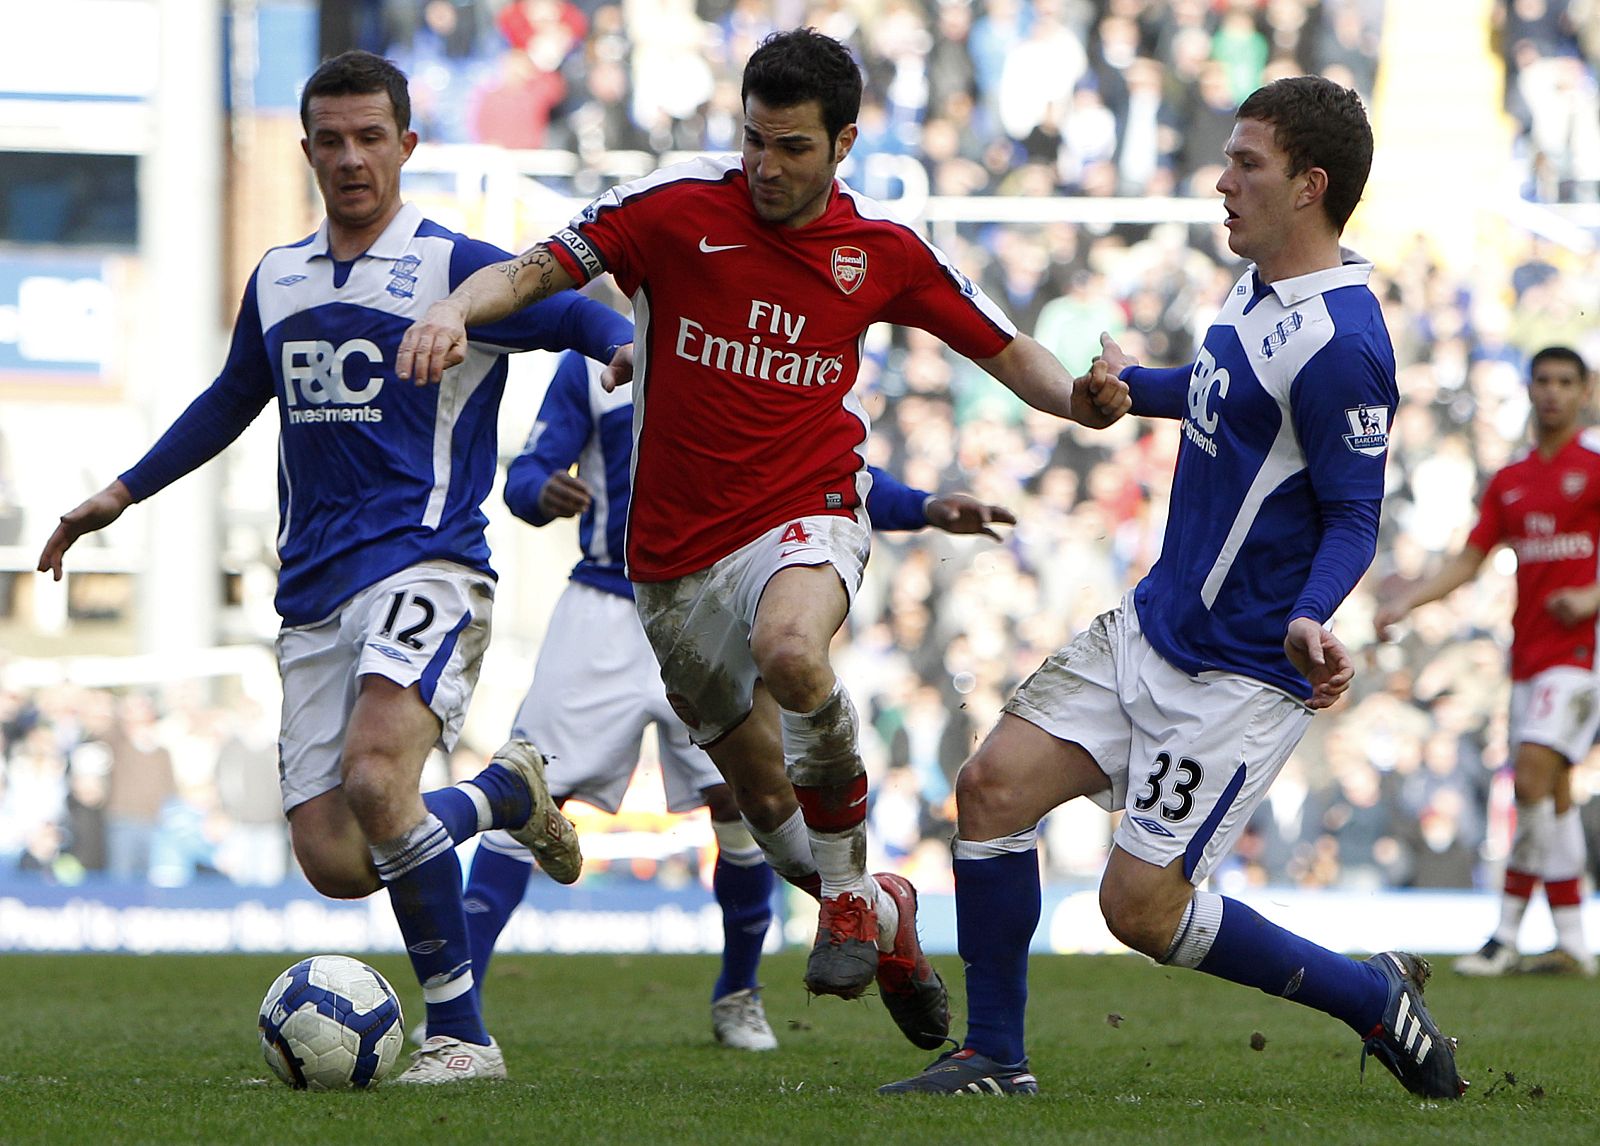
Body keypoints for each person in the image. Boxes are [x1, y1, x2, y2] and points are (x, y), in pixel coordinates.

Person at [397, 27, 1130, 1051]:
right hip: (668, 564)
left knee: (794, 652)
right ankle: (877, 911)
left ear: (844, 146)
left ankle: (836, 906)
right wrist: (453, 314)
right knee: (768, 809)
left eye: (791, 147)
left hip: (806, 511)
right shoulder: (672, 213)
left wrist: (1086, 405)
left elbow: (1007, 351)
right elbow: (531, 271)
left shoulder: (881, 254)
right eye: (753, 141)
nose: (766, 167)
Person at [36, 50, 636, 1084]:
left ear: (408, 144)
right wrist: (120, 492)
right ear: (306, 149)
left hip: (429, 563)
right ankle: (502, 795)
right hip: (312, 592)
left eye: (371, 137)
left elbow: (568, 306)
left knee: (375, 773)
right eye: (331, 139)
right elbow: (232, 398)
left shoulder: (455, 268)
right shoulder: (280, 276)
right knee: (334, 859)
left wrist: (620, 343)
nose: (352, 157)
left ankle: (461, 1034)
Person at [881, 75, 1468, 1099]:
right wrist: (1129, 391)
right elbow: (1223, 399)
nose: (1222, 180)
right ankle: (994, 1057)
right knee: (989, 791)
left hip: (1238, 674)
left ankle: (1367, 998)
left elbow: (1355, 516)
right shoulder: (1254, 285)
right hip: (1154, 627)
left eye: (1248, 164)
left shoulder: (1345, 346)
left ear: (1309, 187)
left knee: (1139, 911)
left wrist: (1305, 615)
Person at [459, 349, 1021, 1052]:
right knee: (525, 796)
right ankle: (458, 1008)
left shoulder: (736, 343)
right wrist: (541, 490)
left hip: (718, 601)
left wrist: (925, 505)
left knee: (747, 803)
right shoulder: (591, 365)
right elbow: (528, 474)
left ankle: (740, 993)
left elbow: (828, 477)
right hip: (605, 607)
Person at [1375, 345, 1599, 979]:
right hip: (1527, 654)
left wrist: (1591, 595)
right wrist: (1408, 601)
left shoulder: (1597, 469)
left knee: (1530, 778)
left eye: (1565, 382)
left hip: (1583, 655)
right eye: (1543, 381)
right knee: (1551, 794)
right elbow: (1469, 560)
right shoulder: (1511, 480)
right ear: (1527, 391)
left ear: (1585, 393)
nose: (1553, 392)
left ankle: (1503, 934)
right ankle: (1574, 941)